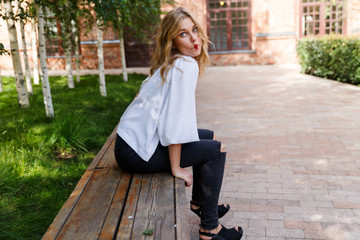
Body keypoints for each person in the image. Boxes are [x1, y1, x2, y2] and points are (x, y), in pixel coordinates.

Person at [114, 7, 243, 240]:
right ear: (172, 41)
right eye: (183, 34)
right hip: (137, 151)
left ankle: (200, 203)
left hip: (133, 141)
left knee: (209, 137)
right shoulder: (185, 66)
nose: (194, 39)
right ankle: (210, 229)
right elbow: (173, 122)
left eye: (194, 29)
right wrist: (177, 168)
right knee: (216, 150)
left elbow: (168, 119)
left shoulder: (177, 61)